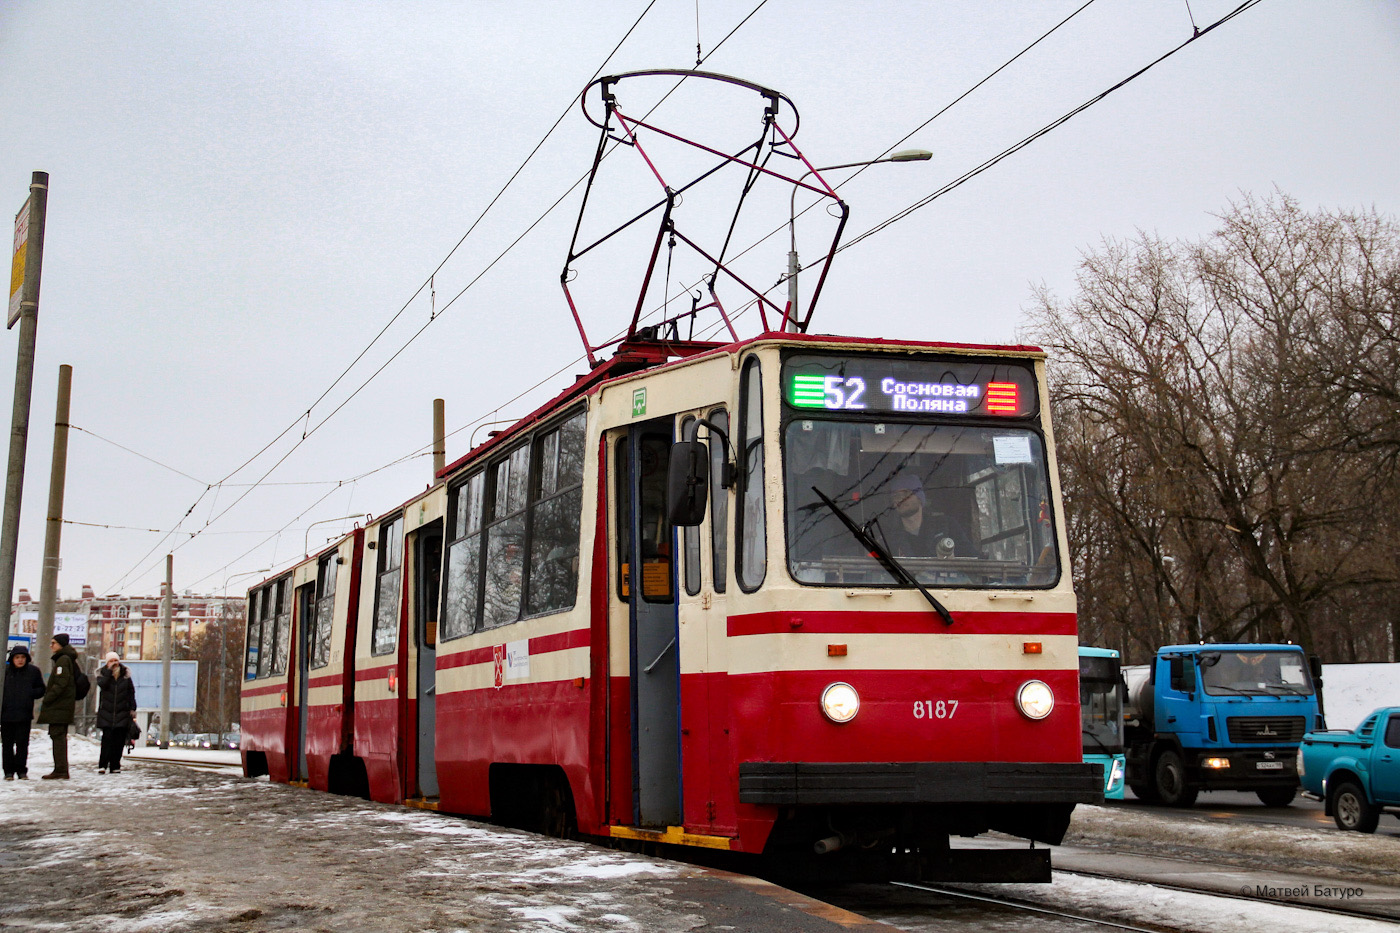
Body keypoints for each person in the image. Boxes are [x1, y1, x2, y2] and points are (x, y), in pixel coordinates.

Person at [882, 472, 972, 558]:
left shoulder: (947, 525)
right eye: (895, 496)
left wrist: (953, 562)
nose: (900, 499)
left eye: (905, 493)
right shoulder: (888, 540)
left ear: (919, 497)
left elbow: (973, 558)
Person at [35, 633, 78, 780]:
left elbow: (61, 683)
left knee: (58, 737)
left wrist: (48, 698)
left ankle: (60, 769)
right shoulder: (65, 659)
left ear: (61, 645)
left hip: (60, 706)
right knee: (58, 736)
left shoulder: (63, 660)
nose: (51, 645)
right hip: (63, 706)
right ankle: (60, 768)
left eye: (53, 643)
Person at [2, 645, 46, 779]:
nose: (20, 660)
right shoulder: (5, 671)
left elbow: (41, 689)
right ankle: (8, 771)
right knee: (7, 745)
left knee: (22, 744)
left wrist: (30, 694)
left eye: (22, 657)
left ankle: (21, 771)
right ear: (12, 659)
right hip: (6, 715)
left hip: (24, 714)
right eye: (17, 657)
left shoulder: (33, 671)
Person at [95, 652, 137, 774]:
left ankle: (115, 765)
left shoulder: (125, 676)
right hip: (107, 712)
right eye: (111, 660)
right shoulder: (103, 674)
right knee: (107, 740)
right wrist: (109, 672)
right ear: (107, 663)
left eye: (116, 660)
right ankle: (102, 765)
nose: (114, 663)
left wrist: (132, 708)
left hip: (122, 712)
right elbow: (102, 685)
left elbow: (131, 693)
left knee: (119, 741)